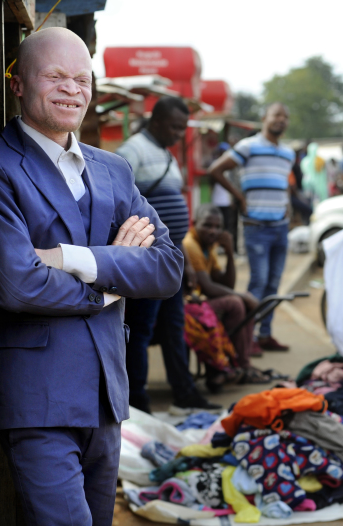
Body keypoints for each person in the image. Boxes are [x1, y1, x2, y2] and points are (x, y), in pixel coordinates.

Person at [0, 28, 184, 525]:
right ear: (18, 84)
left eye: (82, 78)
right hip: (38, 399)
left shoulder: (113, 169)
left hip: (106, 397)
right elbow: (17, 284)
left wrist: (75, 259)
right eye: (55, 76)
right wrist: (117, 277)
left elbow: (168, 266)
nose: (73, 89)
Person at [115, 97, 221, 415]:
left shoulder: (165, 154)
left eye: (182, 127)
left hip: (170, 258)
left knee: (175, 327)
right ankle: (138, 401)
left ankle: (184, 394)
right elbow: (119, 202)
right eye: (175, 127)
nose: (179, 133)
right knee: (141, 329)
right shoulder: (131, 151)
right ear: (157, 121)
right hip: (148, 260)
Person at [207, 103, 294, 351]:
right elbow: (216, 170)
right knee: (259, 281)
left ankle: (264, 335)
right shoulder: (249, 146)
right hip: (256, 225)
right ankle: (248, 337)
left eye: (285, 116)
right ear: (264, 117)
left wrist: (286, 203)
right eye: (277, 114)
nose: (281, 120)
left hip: (280, 225)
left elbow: (283, 183)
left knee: (274, 283)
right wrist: (239, 197)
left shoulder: (287, 153)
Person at [183, 204, 271, 384]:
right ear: (194, 223)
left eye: (217, 227)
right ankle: (238, 364)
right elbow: (208, 287)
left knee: (239, 301)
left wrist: (230, 252)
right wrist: (242, 296)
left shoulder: (208, 247)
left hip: (200, 304)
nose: (213, 231)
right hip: (186, 307)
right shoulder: (191, 244)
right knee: (236, 303)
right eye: (207, 225)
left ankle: (242, 364)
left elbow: (225, 283)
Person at [210, 142, 239, 252]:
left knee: (229, 225)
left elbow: (234, 184)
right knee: (218, 225)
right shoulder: (215, 165)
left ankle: (230, 248)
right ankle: (219, 247)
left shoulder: (231, 168)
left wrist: (232, 199)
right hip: (217, 201)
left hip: (227, 202)